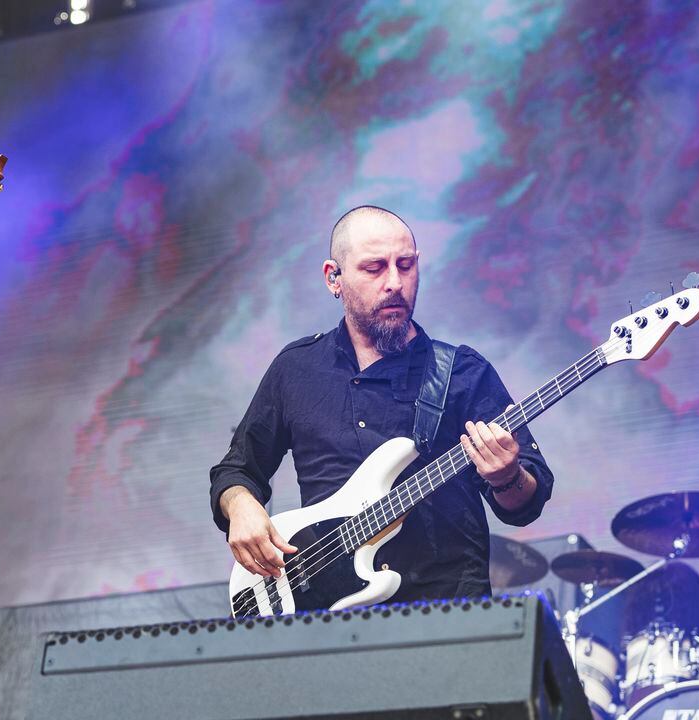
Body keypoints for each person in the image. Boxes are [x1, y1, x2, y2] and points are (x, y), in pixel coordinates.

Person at [210, 205, 553, 605]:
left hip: (449, 616)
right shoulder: (296, 369)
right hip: (329, 616)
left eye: (405, 265)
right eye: (374, 268)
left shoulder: (462, 372)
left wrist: (506, 476)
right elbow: (236, 469)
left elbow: (524, 503)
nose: (394, 282)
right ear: (333, 278)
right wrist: (241, 506)